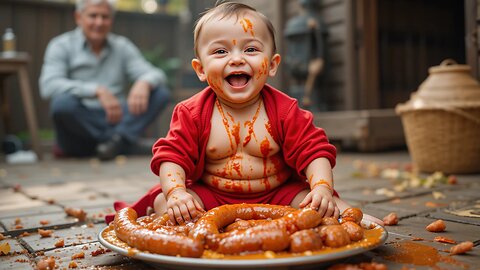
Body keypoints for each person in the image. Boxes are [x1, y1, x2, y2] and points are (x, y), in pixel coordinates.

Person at [105, 1, 383, 226]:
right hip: (212, 195)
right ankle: (183, 219)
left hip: (278, 194)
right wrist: (176, 193)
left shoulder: (285, 110)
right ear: (200, 69)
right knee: (163, 202)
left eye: (250, 49)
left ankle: (352, 219)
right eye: (220, 51)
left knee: (321, 202)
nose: (236, 58)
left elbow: (315, 151)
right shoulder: (192, 112)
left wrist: (321, 187)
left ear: (272, 65)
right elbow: (171, 157)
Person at [39, 0, 170, 160]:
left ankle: (115, 142)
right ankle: (121, 142)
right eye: (93, 16)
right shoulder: (60, 45)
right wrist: (96, 91)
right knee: (62, 105)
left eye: (105, 17)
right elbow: (48, 85)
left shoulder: (122, 47)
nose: (99, 22)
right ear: (78, 17)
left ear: (111, 20)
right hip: (80, 126)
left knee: (160, 93)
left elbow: (156, 74)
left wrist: (144, 83)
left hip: (117, 118)